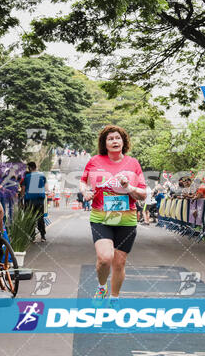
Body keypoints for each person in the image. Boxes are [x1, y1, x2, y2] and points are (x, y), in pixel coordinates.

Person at [80, 125, 146, 307]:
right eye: (110, 139)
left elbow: (142, 194)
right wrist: (85, 192)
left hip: (126, 219)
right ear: (105, 143)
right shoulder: (94, 161)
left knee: (119, 262)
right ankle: (102, 288)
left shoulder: (133, 163)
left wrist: (128, 187)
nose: (115, 141)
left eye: (118, 138)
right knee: (104, 258)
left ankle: (115, 298)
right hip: (101, 217)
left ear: (123, 142)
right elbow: (82, 182)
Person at [21, 162, 48, 242]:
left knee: (30, 218)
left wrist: (22, 197)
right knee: (40, 218)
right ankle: (43, 236)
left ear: (29, 168)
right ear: (35, 167)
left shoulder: (27, 177)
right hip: (40, 200)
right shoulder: (42, 175)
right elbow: (46, 187)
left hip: (29, 201)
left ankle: (32, 237)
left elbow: (23, 189)